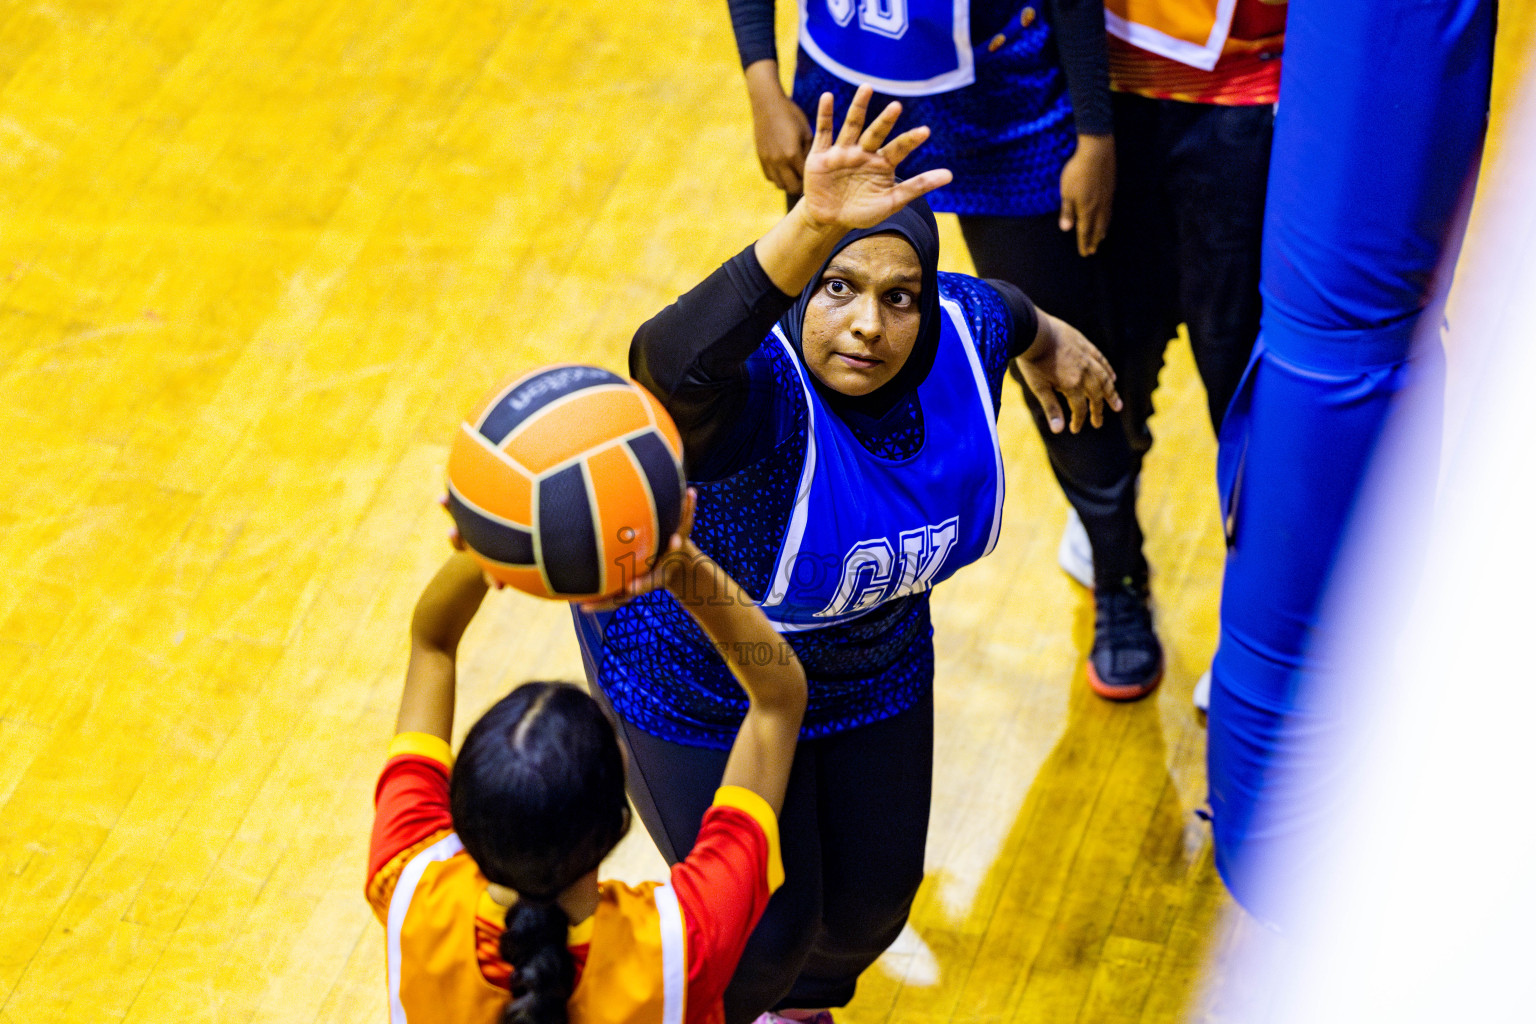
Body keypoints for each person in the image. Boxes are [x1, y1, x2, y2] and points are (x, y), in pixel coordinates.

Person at [574, 88, 1120, 1024]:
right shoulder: (757, 403)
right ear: (801, 289)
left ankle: (800, 1011)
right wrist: (812, 222)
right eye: (837, 287)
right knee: (760, 943)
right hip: (708, 682)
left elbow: (998, 306)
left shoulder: (963, 335)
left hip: (871, 667)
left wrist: (1047, 337)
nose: (868, 323)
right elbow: (666, 366)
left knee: (868, 912)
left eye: (897, 298)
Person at [724, 0, 1167, 700]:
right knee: (826, 355)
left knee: (1059, 353)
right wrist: (762, 83)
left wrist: (1095, 133)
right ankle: (822, 569)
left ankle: (1118, 573)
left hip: (1002, 95)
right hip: (846, 98)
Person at [366, 493, 810, 1024]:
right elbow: (778, 702)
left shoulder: (410, 880)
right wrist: (679, 564)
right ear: (619, 819)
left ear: (457, 812)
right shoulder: (678, 944)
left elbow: (430, 641)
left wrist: (491, 544)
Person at [1050, 0, 1286, 703]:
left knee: (1237, 361)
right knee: (1110, 341)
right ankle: (1111, 545)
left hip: (1249, 82)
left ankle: (1260, 624)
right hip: (1093, 76)